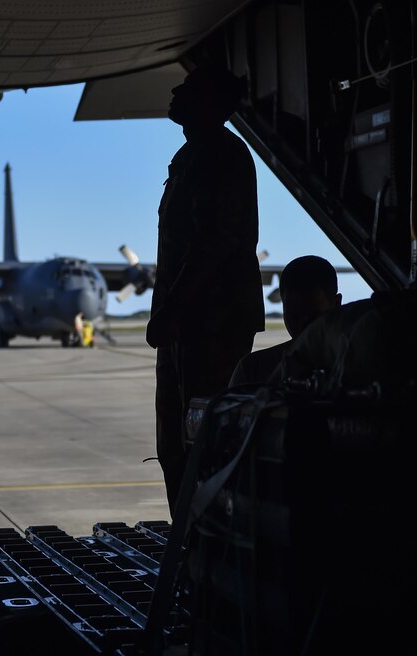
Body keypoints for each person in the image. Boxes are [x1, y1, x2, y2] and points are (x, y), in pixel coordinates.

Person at [146, 66, 264, 516]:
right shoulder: (193, 155)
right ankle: (189, 546)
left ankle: (209, 545)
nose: (176, 93)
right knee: (178, 439)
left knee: (205, 439)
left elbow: (213, 243)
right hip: (188, 324)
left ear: (210, 103)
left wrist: (172, 309)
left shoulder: (220, 154)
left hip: (211, 323)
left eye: (189, 90)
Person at [229, 255, 342, 386]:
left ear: (337, 304)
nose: (302, 328)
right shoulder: (251, 369)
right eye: (294, 317)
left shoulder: (255, 369)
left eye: (314, 318)